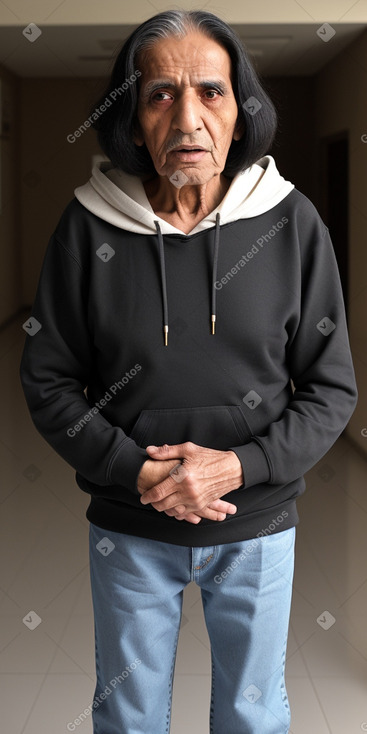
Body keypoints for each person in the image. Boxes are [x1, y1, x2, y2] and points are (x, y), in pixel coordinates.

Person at [19, 9, 358, 734]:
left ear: (241, 113)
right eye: (159, 96)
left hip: (257, 526)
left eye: (211, 92)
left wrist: (234, 468)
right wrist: (138, 473)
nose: (188, 119)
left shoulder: (291, 222)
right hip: (129, 529)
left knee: (252, 715)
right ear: (132, 121)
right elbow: (47, 380)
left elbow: (331, 389)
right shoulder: (85, 226)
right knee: (128, 717)